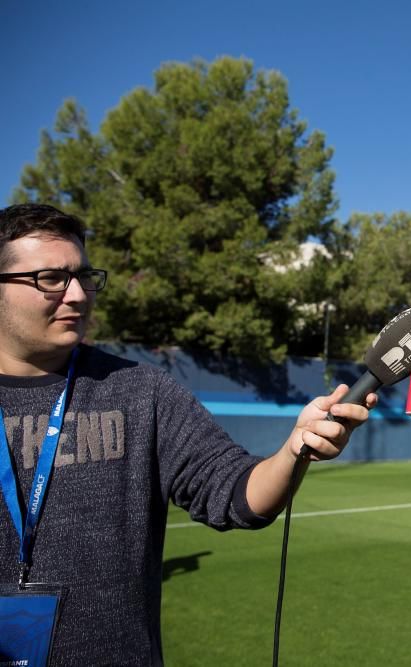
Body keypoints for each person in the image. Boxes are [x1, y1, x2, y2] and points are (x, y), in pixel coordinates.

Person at [0, 203, 373, 664]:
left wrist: (295, 449)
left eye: (83, 276)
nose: (77, 295)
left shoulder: (141, 389)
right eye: (51, 279)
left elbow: (234, 493)